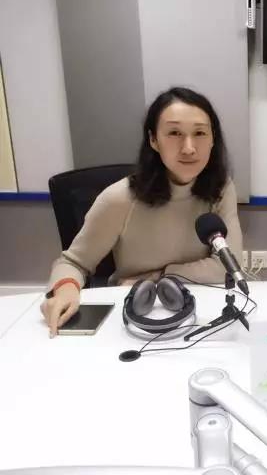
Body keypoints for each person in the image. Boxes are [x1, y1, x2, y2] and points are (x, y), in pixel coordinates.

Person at [41, 87, 242, 336]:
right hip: (133, 314)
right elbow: (73, 262)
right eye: (174, 133)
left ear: (213, 139)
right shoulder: (119, 198)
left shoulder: (221, 189)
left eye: (200, 133)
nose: (189, 148)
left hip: (199, 310)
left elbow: (229, 265)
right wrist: (66, 288)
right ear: (153, 140)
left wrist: (159, 276)